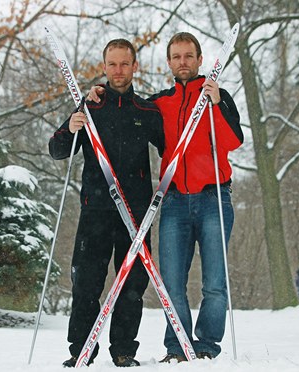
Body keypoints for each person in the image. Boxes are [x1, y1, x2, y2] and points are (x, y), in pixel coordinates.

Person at [88, 32, 243, 362]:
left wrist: (217, 103)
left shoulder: (216, 95)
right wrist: (97, 95)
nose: (182, 62)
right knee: (171, 283)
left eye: (188, 56)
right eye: (176, 57)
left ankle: (206, 346)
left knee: (215, 282)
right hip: (173, 201)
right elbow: (128, 108)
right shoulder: (160, 102)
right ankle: (177, 347)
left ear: (200, 60)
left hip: (214, 199)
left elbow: (233, 141)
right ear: (169, 62)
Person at [49, 38, 164, 368]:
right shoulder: (89, 108)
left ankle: (124, 350)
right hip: (96, 209)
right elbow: (57, 150)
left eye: (124, 64)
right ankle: (81, 351)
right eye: (112, 64)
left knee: (132, 285)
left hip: (137, 213)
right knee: (86, 282)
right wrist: (70, 128)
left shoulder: (147, 111)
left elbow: (171, 149)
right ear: (104, 67)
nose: (118, 70)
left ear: (134, 67)